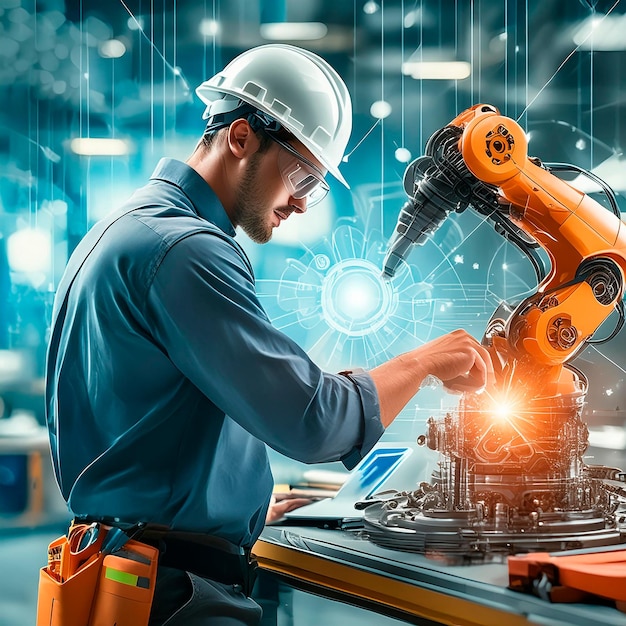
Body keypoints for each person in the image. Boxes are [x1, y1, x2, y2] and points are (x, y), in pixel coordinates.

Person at [45, 44, 494, 625]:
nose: (303, 203)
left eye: (317, 186)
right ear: (241, 138)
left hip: (128, 567)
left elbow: (149, 421)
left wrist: (241, 509)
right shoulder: (187, 251)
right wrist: (428, 360)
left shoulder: (125, 229)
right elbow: (313, 422)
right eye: (302, 175)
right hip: (174, 594)